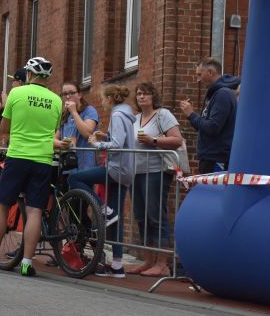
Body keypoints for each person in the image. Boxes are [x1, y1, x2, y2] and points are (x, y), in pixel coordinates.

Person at [0, 56, 61, 277]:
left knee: (2, 205)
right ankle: (27, 263)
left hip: (18, 156)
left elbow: (4, 128)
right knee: (35, 210)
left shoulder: (17, 93)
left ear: (30, 74)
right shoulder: (56, 100)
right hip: (43, 159)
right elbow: (53, 130)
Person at [66, 84, 136, 278]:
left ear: (110, 98)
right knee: (115, 219)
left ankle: (103, 208)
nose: (102, 102)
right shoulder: (126, 114)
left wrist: (98, 144)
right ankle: (117, 265)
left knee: (74, 178)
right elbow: (122, 140)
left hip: (115, 169)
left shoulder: (118, 115)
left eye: (103, 98)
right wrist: (106, 136)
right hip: (125, 170)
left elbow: (117, 144)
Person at [128, 82, 183, 277]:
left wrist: (153, 140)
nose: (141, 97)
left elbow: (177, 140)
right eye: (138, 93)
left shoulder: (163, 115)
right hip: (136, 173)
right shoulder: (134, 119)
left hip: (156, 171)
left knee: (156, 215)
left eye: (145, 93)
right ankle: (148, 260)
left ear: (153, 96)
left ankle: (162, 264)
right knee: (141, 216)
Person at [178, 57, 240, 174]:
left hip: (216, 158)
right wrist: (190, 115)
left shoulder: (222, 94)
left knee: (213, 187)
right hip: (211, 157)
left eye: (199, 74)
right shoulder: (215, 93)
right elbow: (204, 127)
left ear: (210, 72)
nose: (198, 80)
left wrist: (191, 114)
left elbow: (212, 128)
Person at [57, 82, 99, 171]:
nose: (68, 96)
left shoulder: (89, 110)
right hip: (67, 165)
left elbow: (87, 133)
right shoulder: (65, 115)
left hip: (85, 165)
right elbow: (54, 139)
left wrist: (74, 112)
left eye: (72, 93)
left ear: (79, 95)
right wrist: (62, 144)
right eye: (64, 94)